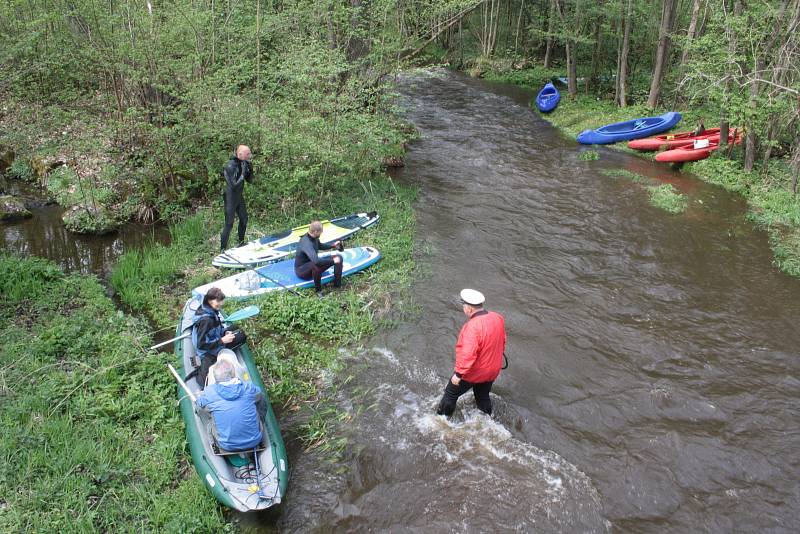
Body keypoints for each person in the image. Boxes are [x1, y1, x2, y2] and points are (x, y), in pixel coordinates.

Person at [436, 289, 506, 417]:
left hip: (474, 372)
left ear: (469, 309)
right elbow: (503, 341)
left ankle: (442, 421)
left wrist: (458, 374)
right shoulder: (498, 318)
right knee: (482, 396)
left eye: (464, 306)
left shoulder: (472, 326)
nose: (463, 308)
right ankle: (488, 420)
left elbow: (468, 354)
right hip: (493, 370)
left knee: (450, 394)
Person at [196, 360, 264, 452]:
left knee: (200, 409)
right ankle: (256, 424)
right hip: (254, 441)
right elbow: (259, 394)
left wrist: (199, 396)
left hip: (226, 445)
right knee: (260, 398)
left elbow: (199, 404)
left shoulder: (209, 392)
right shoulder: (248, 387)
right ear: (233, 374)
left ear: (215, 377)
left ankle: (213, 439)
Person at [192, 287, 247, 389]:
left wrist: (224, 332)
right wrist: (222, 340)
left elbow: (214, 328)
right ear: (209, 300)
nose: (221, 303)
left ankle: (225, 343)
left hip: (213, 339)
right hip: (206, 351)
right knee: (242, 337)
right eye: (218, 301)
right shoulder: (206, 320)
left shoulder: (208, 308)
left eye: (221, 300)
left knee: (236, 329)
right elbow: (201, 344)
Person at [294, 220, 343, 296]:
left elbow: (320, 246)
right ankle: (318, 291)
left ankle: (337, 285)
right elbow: (316, 261)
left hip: (311, 263)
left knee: (339, 257)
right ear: (316, 231)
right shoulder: (306, 242)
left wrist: (333, 245)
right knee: (317, 265)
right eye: (321, 232)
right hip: (302, 270)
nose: (321, 233)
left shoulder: (314, 238)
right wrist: (333, 261)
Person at [220, 144, 254, 252]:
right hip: (230, 197)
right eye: (247, 153)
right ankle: (222, 249)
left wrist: (250, 170)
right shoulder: (230, 165)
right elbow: (234, 184)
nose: (249, 155)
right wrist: (243, 173)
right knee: (229, 224)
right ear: (240, 154)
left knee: (244, 219)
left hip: (239, 196)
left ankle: (241, 242)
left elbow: (250, 181)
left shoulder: (244, 163)